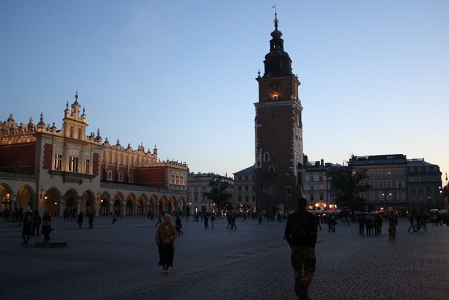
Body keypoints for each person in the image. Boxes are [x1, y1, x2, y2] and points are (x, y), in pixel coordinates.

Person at [284, 197, 317, 300]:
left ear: (298, 205)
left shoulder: (292, 217)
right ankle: (303, 286)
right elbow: (314, 234)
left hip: (296, 247)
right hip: (307, 247)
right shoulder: (310, 216)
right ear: (306, 205)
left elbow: (286, 233)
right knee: (310, 270)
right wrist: (311, 245)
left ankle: (301, 294)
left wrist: (292, 245)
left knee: (297, 272)